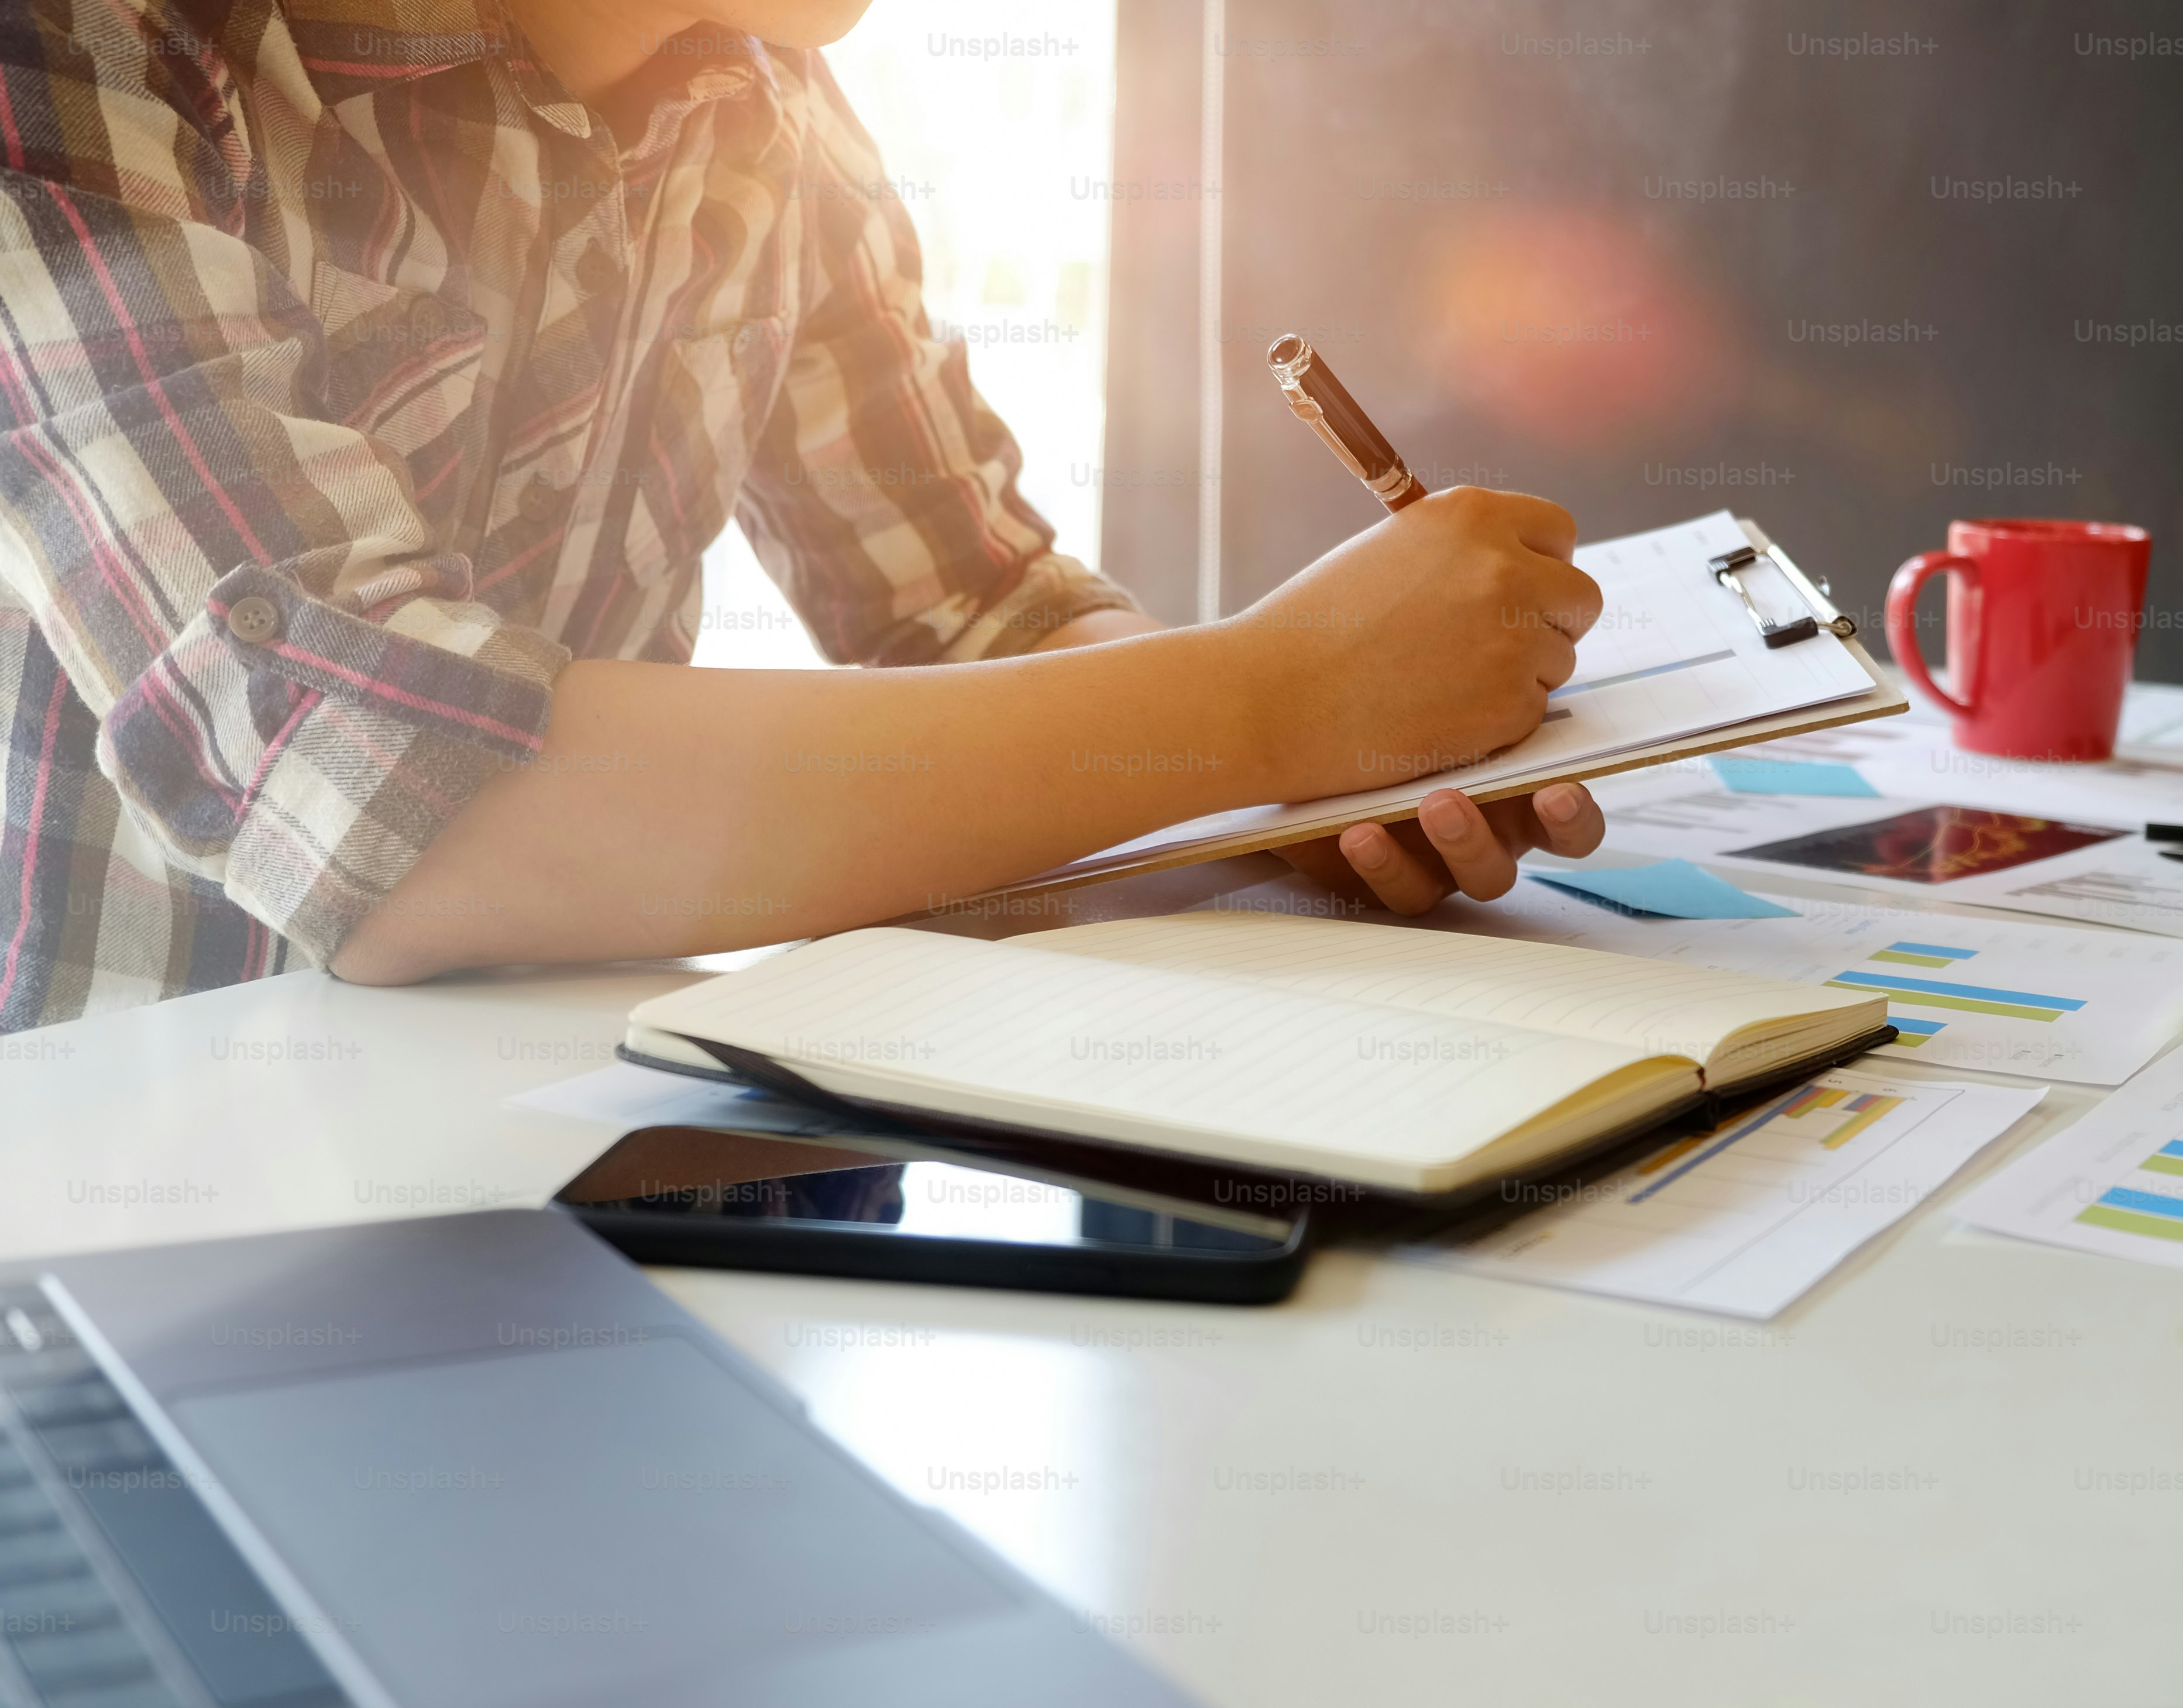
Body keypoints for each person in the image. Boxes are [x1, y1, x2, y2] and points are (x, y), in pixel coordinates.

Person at [0, 0, 1607, 1033]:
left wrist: (1295, 793)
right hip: (104, 1264)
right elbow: (400, 807)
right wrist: (1268, 700)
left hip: (552, 1171)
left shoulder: (773, 112)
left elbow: (983, 616)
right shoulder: (82, 62)